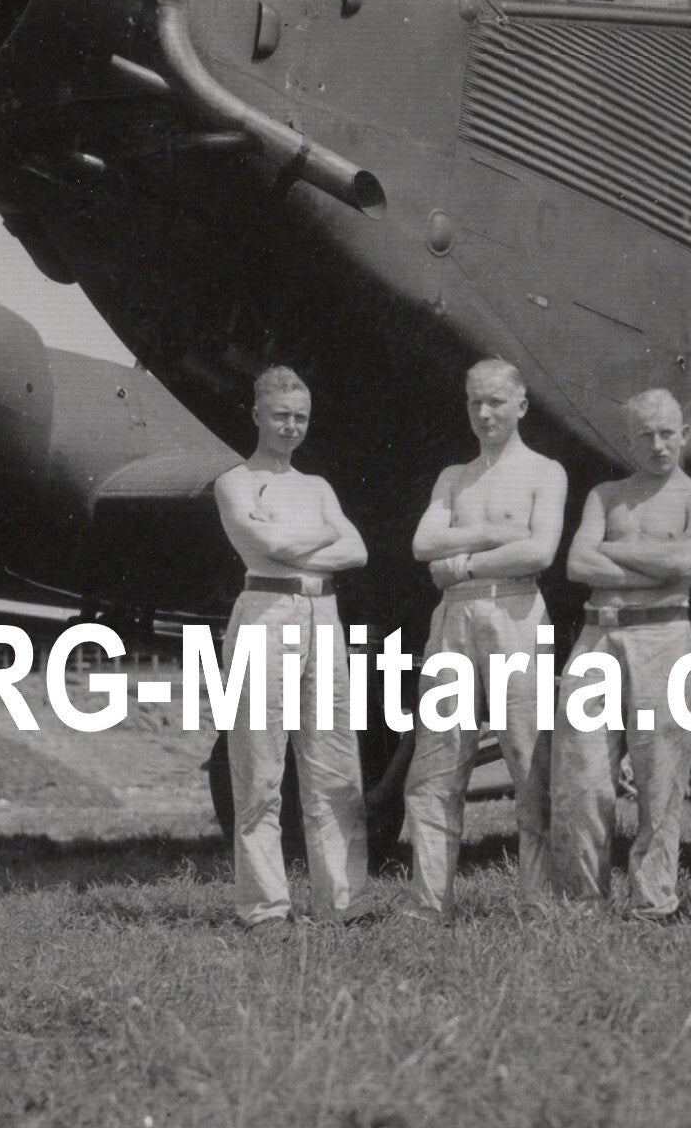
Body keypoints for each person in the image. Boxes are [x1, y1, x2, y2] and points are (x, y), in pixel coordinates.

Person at [402, 359, 569, 921]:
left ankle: (538, 900)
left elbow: (539, 551)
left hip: (516, 612)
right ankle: (429, 904)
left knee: (530, 758)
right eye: (475, 401)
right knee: (436, 761)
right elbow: (425, 541)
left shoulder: (546, 472)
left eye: (496, 400)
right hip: (453, 619)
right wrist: (499, 533)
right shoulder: (453, 477)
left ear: (521, 403)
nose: (485, 412)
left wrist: (464, 558)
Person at [211, 366, 372, 930]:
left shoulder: (317, 487)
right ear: (257, 414)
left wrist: (291, 548)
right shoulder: (233, 482)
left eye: (300, 417)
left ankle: (342, 905)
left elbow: (357, 552)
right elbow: (265, 545)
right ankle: (265, 908)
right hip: (264, 615)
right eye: (280, 415)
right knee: (258, 769)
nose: (290, 427)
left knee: (334, 764)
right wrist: (317, 537)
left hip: (323, 616)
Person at [554, 390, 691, 920]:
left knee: (662, 776)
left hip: (665, 638)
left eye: (667, 432)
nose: (657, 443)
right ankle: (585, 901)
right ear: (628, 440)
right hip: (597, 637)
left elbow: (688, 560)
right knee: (581, 776)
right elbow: (578, 564)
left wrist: (613, 551)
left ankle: (653, 901)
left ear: (684, 434)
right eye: (645, 434)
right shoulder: (605, 495)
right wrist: (660, 565)